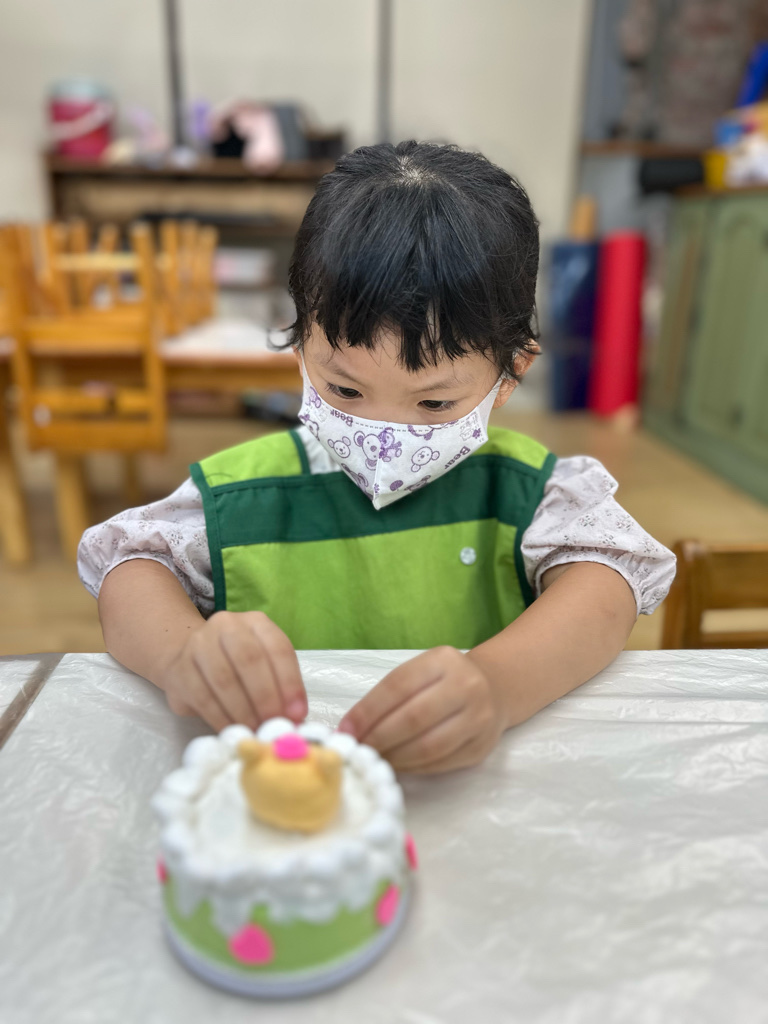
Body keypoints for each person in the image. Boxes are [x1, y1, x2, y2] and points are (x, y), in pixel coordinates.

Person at [78, 141, 675, 775]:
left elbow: (606, 589)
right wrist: (183, 657)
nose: (384, 432)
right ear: (299, 346)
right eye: (344, 390)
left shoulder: (526, 492)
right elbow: (131, 572)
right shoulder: (241, 496)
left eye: (434, 402)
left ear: (510, 374)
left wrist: (499, 686)